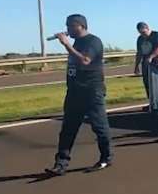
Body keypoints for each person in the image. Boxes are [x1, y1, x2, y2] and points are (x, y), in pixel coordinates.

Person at [45, 14, 112, 175]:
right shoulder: (77, 42)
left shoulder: (93, 41)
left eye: (69, 26)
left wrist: (66, 44)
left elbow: (85, 61)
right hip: (74, 92)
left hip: (92, 92)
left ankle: (106, 157)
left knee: (100, 128)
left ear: (79, 25)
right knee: (68, 129)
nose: (67, 30)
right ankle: (61, 163)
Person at [134, 22, 158, 97]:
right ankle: (151, 101)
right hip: (145, 64)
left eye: (144, 32)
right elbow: (139, 53)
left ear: (147, 28)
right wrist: (136, 66)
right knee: (147, 83)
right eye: (141, 33)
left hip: (156, 63)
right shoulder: (140, 39)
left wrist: (151, 57)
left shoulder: (156, 35)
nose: (143, 35)